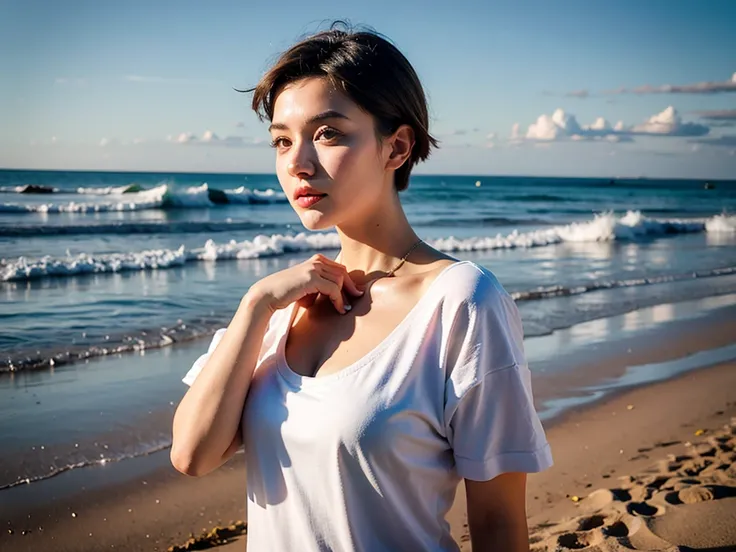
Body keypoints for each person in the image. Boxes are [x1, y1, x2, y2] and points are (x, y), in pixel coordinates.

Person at [171, 21, 552, 551]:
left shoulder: (461, 301)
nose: (298, 164)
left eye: (327, 134)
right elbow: (192, 455)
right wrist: (256, 304)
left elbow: (498, 523)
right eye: (282, 141)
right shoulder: (281, 306)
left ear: (396, 147)